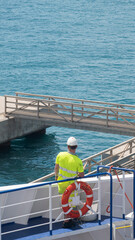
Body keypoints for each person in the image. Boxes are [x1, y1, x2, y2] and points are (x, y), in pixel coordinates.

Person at [54, 136, 84, 228]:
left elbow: (56, 168)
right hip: (71, 186)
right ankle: (67, 221)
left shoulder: (60, 155)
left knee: (64, 201)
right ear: (76, 147)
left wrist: (56, 177)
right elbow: (82, 175)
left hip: (61, 183)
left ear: (68, 146)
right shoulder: (78, 160)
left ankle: (67, 219)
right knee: (69, 203)